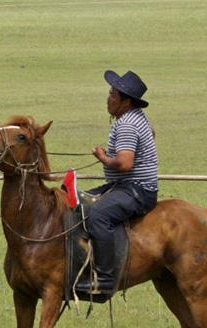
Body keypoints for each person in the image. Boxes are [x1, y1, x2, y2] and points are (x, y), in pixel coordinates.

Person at [85, 70, 158, 293]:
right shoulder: (135, 118)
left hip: (135, 191)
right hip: (125, 186)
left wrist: (104, 157)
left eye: (112, 94)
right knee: (79, 201)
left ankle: (105, 278)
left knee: (97, 215)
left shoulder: (127, 124)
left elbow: (125, 164)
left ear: (126, 101)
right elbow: (151, 133)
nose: (108, 98)